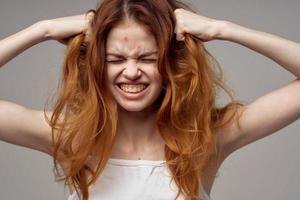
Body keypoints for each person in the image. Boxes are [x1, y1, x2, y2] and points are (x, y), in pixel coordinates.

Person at [0, 0, 299, 200]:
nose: (131, 72)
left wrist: (223, 29)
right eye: (115, 59)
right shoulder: (73, 137)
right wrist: (42, 30)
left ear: (170, 64)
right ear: (97, 65)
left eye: (148, 58)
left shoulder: (205, 138)